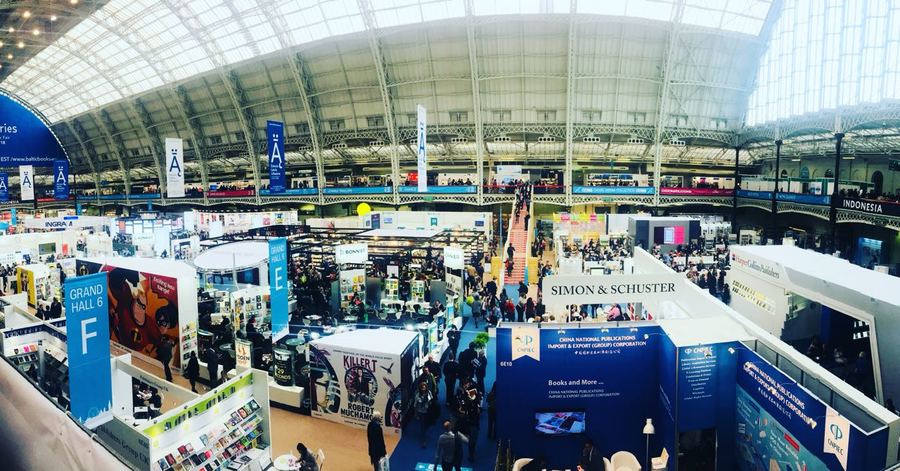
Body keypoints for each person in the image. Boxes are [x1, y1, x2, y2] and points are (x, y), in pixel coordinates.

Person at [414, 381, 434, 448]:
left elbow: (431, 400)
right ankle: (423, 440)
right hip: (421, 412)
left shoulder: (429, 393)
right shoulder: (418, 395)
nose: (423, 388)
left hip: (428, 411)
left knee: (428, 424)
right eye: (422, 387)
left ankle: (424, 431)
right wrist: (416, 414)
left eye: (424, 387)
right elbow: (415, 405)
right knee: (423, 426)